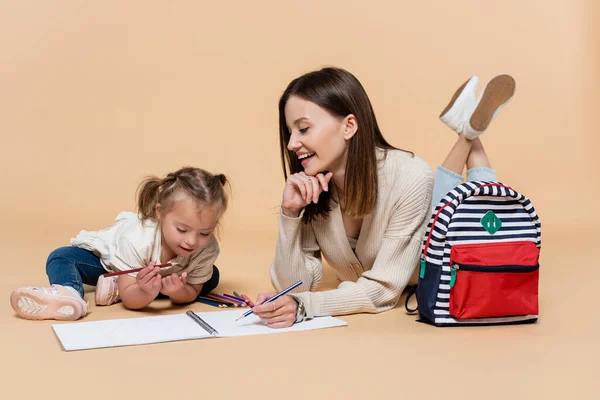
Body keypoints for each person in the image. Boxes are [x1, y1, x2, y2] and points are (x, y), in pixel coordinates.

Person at [252, 68, 515, 328]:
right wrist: (290, 214)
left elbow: (382, 291)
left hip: (452, 262)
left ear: (349, 126)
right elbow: (292, 288)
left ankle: (468, 134)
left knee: (472, 208)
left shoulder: (408, 176)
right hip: (426, 222)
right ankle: (467, 131)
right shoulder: (314, 188)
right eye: (290, 132)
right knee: (443, 197)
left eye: (304, 129)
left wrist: (305, 306)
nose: (291, 144)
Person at [10, 167, 229, 321]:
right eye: (182, 229)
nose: (191, 241)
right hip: (111, 264)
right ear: (160, 213)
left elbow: (191, 293)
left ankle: (150, 285)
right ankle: (69, 293)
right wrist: (143, 292)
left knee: (212, 275)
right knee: (62, 257)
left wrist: (179, 291)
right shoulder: (137, 240)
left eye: (204, 232)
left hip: (156, 279)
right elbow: (131, 301)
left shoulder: (206, 249)